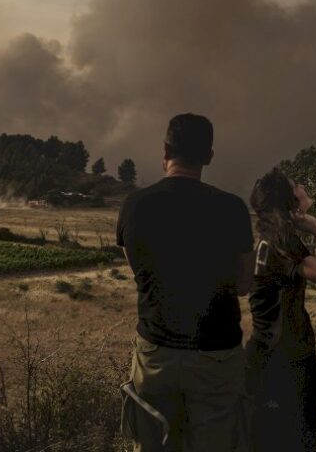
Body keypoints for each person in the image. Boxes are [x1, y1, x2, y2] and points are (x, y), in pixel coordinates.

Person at [117, 113, 255, 452]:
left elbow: (137, 269)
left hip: (156, 353)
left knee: (153, 442)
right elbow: (243, 284)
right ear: (209, 156)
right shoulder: (233, 208)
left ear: (165, 150)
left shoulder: (135, 205)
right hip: (215, 355)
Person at [245, 168, 316, 452]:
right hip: (287, 360)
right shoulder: (283, 244)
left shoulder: (270, 238)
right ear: (290, 201)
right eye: (296, 185)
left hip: (267, 356)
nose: (303, 186)